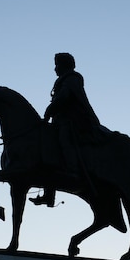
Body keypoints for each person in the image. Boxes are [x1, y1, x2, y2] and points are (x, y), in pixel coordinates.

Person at [30, 53, 102, 207]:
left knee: (64, 140)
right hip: (61, 120)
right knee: (48, 148)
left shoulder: (72, 78)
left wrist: (49, 110)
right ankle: (48, 194)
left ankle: (73, 170)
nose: (55, 69)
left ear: (64, 65)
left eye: (56, 65)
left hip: (73, 121)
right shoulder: (63, 80)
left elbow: (64, 97)